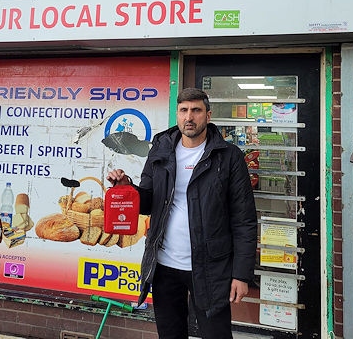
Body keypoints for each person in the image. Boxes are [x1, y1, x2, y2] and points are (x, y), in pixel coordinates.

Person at [107, 87, 257, 339]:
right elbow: (148, 201)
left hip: (211, 267)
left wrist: (241, 274)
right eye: (184, 110)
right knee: (170, 334)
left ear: (208, 115)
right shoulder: (161, 149)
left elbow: (244, 220)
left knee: (216, 334)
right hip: (164, 265)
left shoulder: (229, 157)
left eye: (196, 110)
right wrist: (127, 189)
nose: (189, 117)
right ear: (177, 115)